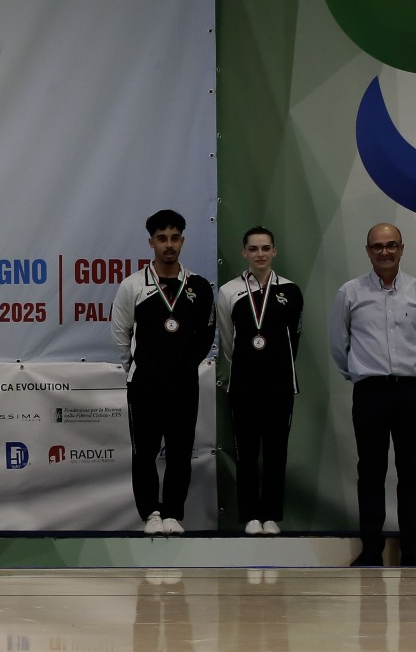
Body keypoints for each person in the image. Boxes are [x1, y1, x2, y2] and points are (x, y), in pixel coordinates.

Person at [328, 223, 416, 567]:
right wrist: (359, 374)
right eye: (377, 246)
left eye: (391, 245)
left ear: (402, 248)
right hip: (370, 393)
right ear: (368, 251)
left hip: (411, 392)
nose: (385, 252)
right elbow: (338, 344)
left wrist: (413, 370)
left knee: (412, 472)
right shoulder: (350, 293)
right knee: (370, 472)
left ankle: (412, 550)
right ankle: (371, 551)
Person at [112, 209, 216, 536]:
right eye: (162, 239)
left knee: (180, 452)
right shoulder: (133, 286)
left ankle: (172, 513)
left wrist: (184, 366)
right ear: (151, 243)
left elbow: (207, 334)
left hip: (184, 384)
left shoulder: (199, 286)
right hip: (144, 384)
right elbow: (120, 333)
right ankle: (151, 514)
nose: (168, 245)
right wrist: (138, 366)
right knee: (143, 453)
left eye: (174, 238)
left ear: (182, 241)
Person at [215, 226, 304, 536]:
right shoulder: (229, 291)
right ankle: (251, 515)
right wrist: (248, 363)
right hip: (244, 387)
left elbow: (294, 339)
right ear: (244, 252)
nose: (260, 254)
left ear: (274, 251)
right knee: (247, 454)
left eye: (265, 248)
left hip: (281, 386)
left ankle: (271, 516)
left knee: (277, 453)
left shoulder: (290, 291)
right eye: (253, 248)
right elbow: (228, 342)